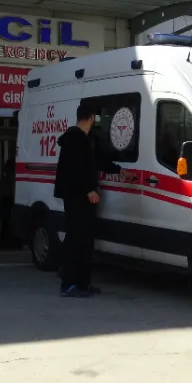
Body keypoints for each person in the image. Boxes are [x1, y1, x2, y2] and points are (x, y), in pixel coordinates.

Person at [53, 103, 134, 298]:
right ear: (90, 117)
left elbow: (99, 161)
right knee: (75, 240)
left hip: (84, 199)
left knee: (86, 241)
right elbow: (73, 170)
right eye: (95, 117)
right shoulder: (74, 139)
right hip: (76, 198)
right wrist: (88, 190)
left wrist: (120, 171)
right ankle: (67, 284)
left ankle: (83, 283)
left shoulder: (87, 139)